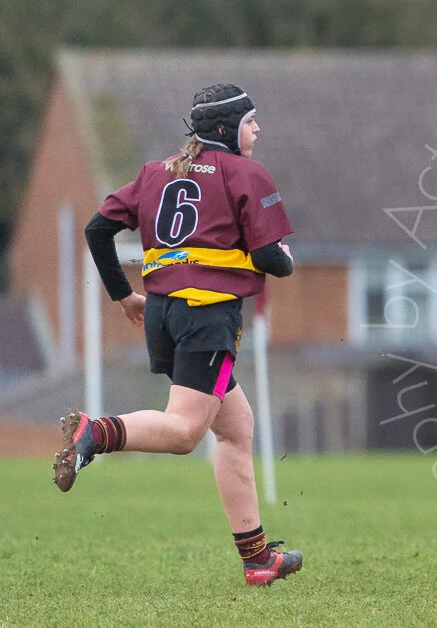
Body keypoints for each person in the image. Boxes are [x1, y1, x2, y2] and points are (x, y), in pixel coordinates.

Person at [53, 84, 303, 587]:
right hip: (207, 315)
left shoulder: (156, 171)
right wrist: (286, 261)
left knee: (235, 427)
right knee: (186, 432)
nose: (258, 130)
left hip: (162, 314)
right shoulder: (246, 174)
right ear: (226, 130)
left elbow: (98, 229)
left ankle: (257, 559)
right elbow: (269, 258)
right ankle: (95, 432)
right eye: (251, 121)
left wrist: (123, 296)